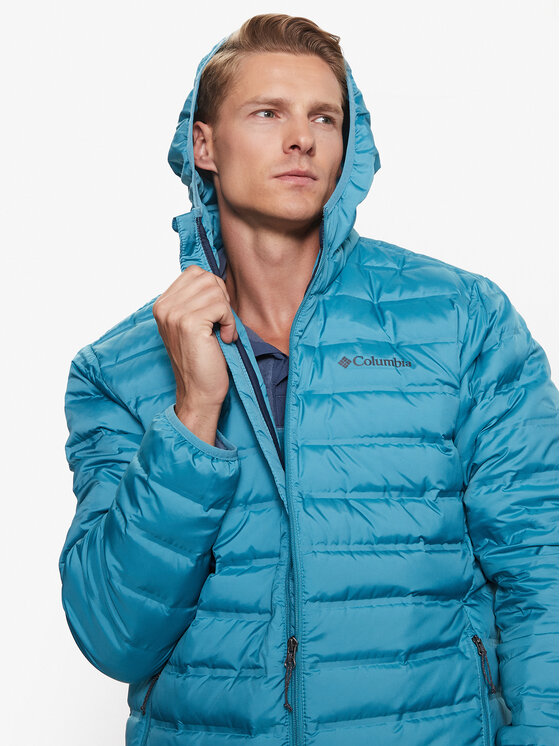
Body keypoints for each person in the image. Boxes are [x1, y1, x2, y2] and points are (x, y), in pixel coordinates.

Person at [59, 13, 559, 746]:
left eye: (324, 117)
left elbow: (542, 570)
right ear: (204, 145)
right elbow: (115, 636)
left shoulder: (461, 321)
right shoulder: (119, 370)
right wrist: (193, 414)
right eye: (268, 113)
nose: (302, 138)